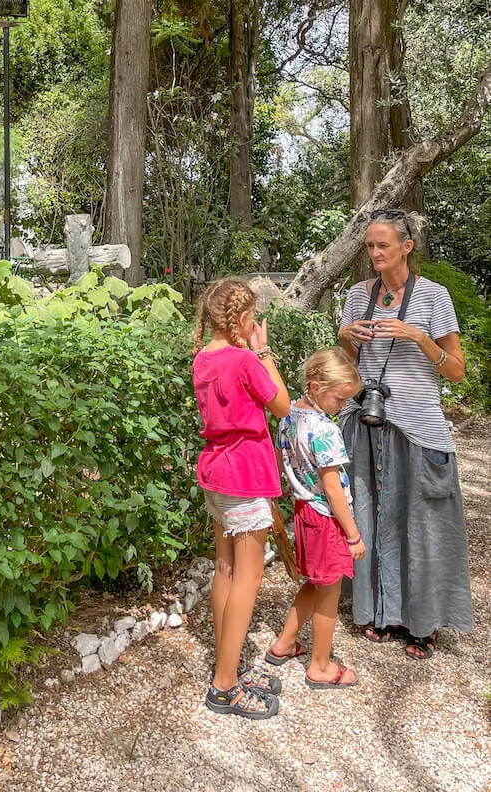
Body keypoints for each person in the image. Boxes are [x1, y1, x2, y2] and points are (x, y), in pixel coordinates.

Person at [338, 209, 473, 659]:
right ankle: (380, 613)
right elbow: (349, 363)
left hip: (418, 427)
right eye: (370, 246)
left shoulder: (434, 297)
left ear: (406, 247)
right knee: (371, 520)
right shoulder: (359, 295)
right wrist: (345, 335)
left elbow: (455, 371)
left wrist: (418, 337)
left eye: (383, 246)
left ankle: (423, 622)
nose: (374, 254)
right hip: (368, 422)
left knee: (422, 525)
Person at [193, 277, 291, 720]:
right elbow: (284, 405)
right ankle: (225, 685)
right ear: (242, 320)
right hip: (246, 475)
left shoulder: (203, 358)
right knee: (248, 579)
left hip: (215, 473)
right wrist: (264, 351)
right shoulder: (246, 360)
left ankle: (227, 662)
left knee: (225, 569)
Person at [266, 349, 365, 688]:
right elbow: (333, 488)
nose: (342, 406)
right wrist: (352, 534)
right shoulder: (324, 430)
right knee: (330, 590)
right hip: (326, 517)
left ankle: (284, 643)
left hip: (304, 512)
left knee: (316, 581)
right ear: (316, 386)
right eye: (339, 398)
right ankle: (320, 665)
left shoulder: (289, 416)